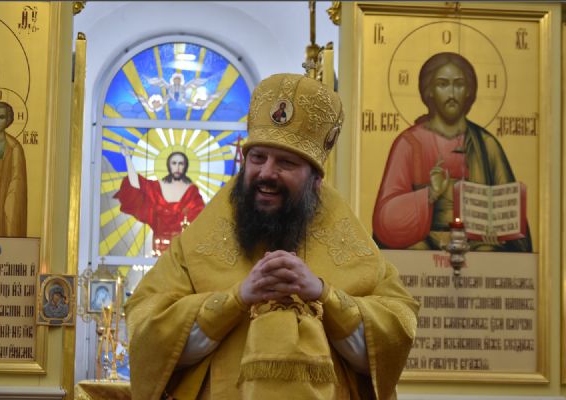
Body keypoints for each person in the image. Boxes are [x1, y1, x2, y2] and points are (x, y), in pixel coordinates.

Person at [125, 73, 419, 400]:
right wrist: (236, 299)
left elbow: (395, 332)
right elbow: (147, 328)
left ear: (315, 179)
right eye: (258, 158)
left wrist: (323, 294)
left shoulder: (350, 238)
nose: (266, 173)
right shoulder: (200, 239)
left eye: (286, 163)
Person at [372, 52, 532, 252]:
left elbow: (510, 211)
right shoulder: (409, 143)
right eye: (442, 84)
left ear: (469, 91)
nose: (452, 93)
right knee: (415, 251)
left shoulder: (486, 144)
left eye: (459, 84)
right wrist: (430, 194)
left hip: (477, 242)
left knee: (488, 251)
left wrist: (498, 230)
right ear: (429, 91)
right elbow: (386, 217)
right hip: (425, 241)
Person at [114, 148, 205, 255]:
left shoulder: (192, 191)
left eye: (181, 163)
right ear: (168, 165)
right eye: (174, 163)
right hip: (159, 245)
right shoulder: (158, 187)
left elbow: (201, 218)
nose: (177, 167)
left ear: (185, 166)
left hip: (182, 248)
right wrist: (128, 158)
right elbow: (136, 183)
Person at [0, 101, 27, 237]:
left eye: (2, 117)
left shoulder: (13, 147)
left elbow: (16, 180)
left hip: (2, 197)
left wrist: (9, 205)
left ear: (8, 120)